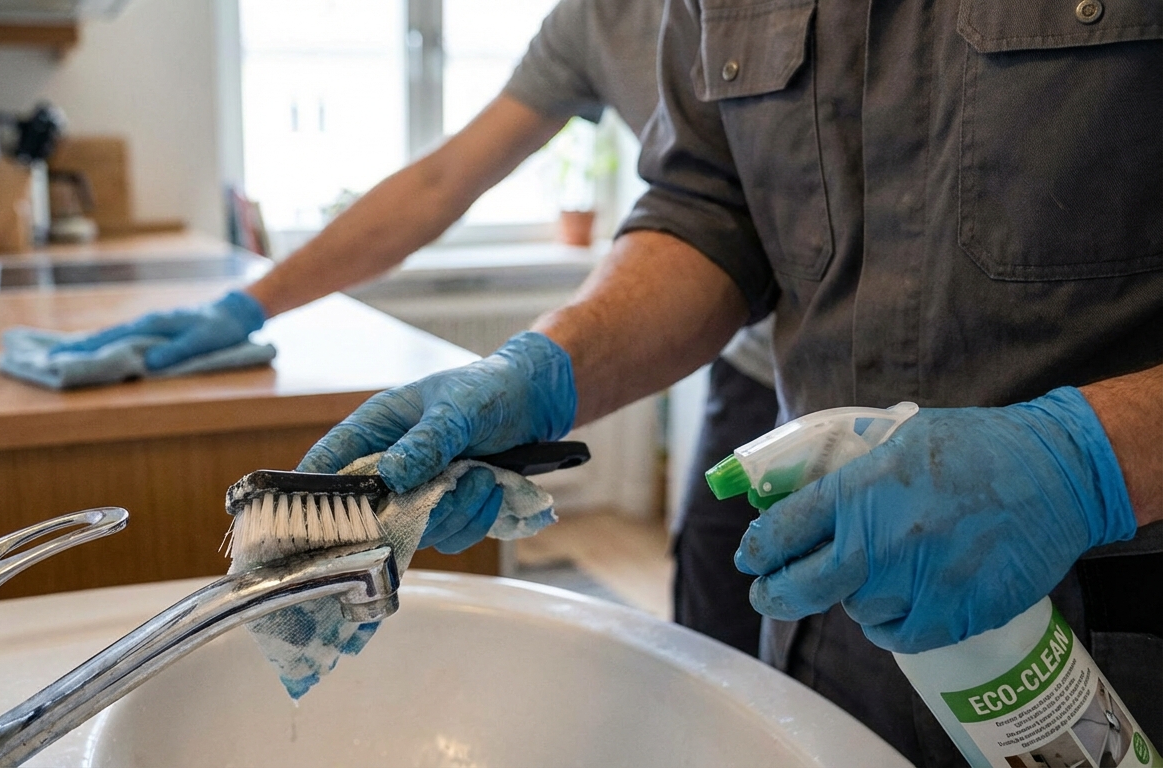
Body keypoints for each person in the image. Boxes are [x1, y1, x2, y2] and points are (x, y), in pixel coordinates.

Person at [296, 1, 1163, 766]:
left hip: (1119, 635)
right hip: (835, 624)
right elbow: (711, 213)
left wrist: (1087, 459)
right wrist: (545, 369)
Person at [60, 0, 779, 656]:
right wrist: (251, 304)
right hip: (756, 359)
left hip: (859, 372)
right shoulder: (593, 22)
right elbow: (442, 182)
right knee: (724, 607)